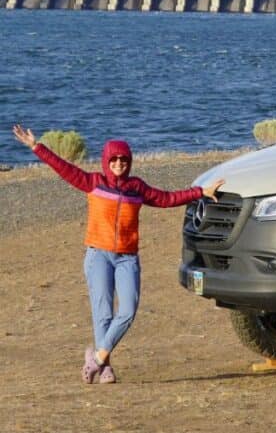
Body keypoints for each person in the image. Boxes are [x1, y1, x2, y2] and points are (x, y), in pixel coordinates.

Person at [11, 124, 224, 385]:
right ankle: (106, 368)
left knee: (128, 309)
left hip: (127, 258)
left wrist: (199, 192)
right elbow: (63, 168)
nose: (119, 163)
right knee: (103, 314)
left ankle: (96, 359)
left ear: (129, 161)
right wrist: (36, 146)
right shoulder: (93, 182)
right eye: (114, 159)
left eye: (124, 159)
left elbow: (166, 198)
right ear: (106, 161)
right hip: (98, 255)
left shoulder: (136, 188)